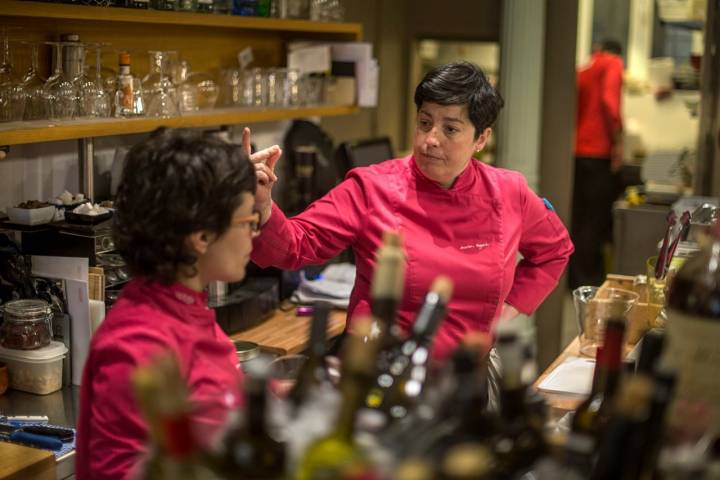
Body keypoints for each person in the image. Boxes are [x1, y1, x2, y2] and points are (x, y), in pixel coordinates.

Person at [248, 62, 574, 361]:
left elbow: (554, 251)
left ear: (481, 139)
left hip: (464, 379)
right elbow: (295, 245)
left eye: (450, 129)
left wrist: (510, 309)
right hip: (378, 374)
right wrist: (263, 204)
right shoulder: (371, 187)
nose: (430, 139)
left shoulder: (508, 191)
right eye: (425, 122)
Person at [76, 128, 261, 479]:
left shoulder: (184, 305)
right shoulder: (138, 349)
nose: (256, 233)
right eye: (249, 221)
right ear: (201, 237)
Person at [569, 39, 624, 289]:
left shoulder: (585, 69)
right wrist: (618, 140)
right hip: (599, 152)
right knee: (595, 220)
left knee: (578, 218)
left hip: (578, 152)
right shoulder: (613, 63)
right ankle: (590, 282)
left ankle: (575, 279)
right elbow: (609, 102)